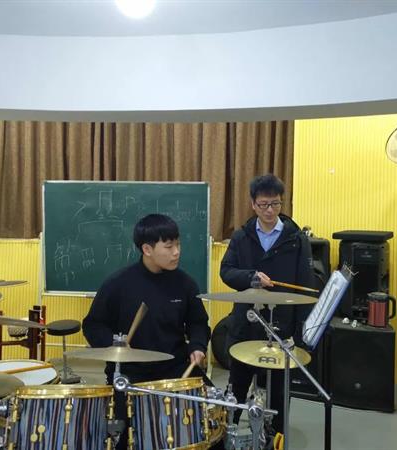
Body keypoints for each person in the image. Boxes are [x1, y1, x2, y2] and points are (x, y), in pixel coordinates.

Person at [83, 213, 211, 449]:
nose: (176, 252)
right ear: (147, 249)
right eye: (169, 246)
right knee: (127, 438)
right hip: (132, 374)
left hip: (175, 369)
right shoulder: (118, 284)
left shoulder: (185, 283)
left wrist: (197, 346)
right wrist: (114, 343)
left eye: (178, 244)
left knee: (208, 422)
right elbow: (93, 324)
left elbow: (198, 323)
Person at [220, 173, 315, 436]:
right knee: (236, 389)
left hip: (281, 329)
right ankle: (226, 436)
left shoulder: (296, 239)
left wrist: (301, 335)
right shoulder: (242, 236)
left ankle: (275, 438)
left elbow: (306, 284)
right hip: (246, 325)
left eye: (275, 204)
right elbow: (226, 271)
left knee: (277, 396)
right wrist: (250, 277)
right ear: (253, 204)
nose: (270, 210)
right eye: (263, 204)